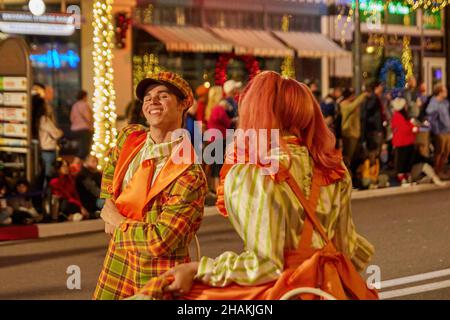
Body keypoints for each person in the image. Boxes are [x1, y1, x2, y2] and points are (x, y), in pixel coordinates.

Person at [131, 71, 375, 300]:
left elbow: (264, 265)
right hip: (330, 290)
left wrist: (198, 269)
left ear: (254, 112)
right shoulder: (333, 170)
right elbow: (349, 250)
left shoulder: (253, 175)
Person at [93, 71, 207, 300]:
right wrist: (108, 204)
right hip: (118, 259)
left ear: (183, 104)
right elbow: (110, 169)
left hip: (158, 273)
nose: (152, 101)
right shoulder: (129, 137)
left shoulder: (189, 174)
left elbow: (159, 242)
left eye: (163, 95)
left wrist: (117, 221)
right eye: (147, 97)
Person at [31, 95, 63, 189]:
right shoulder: (44, 119)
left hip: (45, 150)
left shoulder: (39, 119)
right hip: (48, 150)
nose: (49, 106)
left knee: (46, 174)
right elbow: (56, 133)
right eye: (46, 104)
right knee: (48, 176)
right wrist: (60, 132)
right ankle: (45, 195)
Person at [391, 97, 418, 184]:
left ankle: (407, 175)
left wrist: (413, 128)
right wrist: (413, 128)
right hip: (402, 143)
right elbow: (405, 128)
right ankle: (401, 176)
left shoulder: (403, 116)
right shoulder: (397, 116)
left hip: (408, 142)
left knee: (408, 160)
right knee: (402, 160)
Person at [340, 89, 368, 169]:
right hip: (349, 134)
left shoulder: (350, 104)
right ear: (349, 96)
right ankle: (345, 175)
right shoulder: (344, 105)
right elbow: (352, 106)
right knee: (348, 156)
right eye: (353, 95)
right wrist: (363, 95)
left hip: (354, 134)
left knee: (354, 157)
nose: (354, 97)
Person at [426, 83, 450, 176]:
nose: (447, 92)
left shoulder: (445, 102)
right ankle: (436, 171)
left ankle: (441, 169)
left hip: (447, 130)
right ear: (440, 92)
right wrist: (436, 130)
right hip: (440, 132)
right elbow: (431, 118)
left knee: (446, 152)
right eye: (445, 91)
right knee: (439, 152)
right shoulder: (433, 103)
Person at [361, 81, 386, 157]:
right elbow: (368, 110)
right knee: (374, 151)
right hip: (373, 129)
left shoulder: (374, 98)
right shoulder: (372, 98)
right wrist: (379, 129)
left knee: (375, 151)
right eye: (381, 86)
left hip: (374, 128)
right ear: (376, 88)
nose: (382, 88)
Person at [75, 155, 103, 219]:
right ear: (86, 162)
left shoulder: (95, 173)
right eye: (93, 161)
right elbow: (94, 190)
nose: (96, 163)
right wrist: (106, 197)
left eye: (96, 161)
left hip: (97, 198)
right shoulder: (83, 175)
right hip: (90, 200)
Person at [70, 90, 94, 160]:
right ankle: (77, 163)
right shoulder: (85, 105)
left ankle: (78, 163)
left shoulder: (75, 105)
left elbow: (71, 118)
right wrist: (91, 126)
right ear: (84, 96)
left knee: (81, 148)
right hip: (84, 130)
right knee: (84, 150)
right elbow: (88, 118)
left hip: (75, 130)